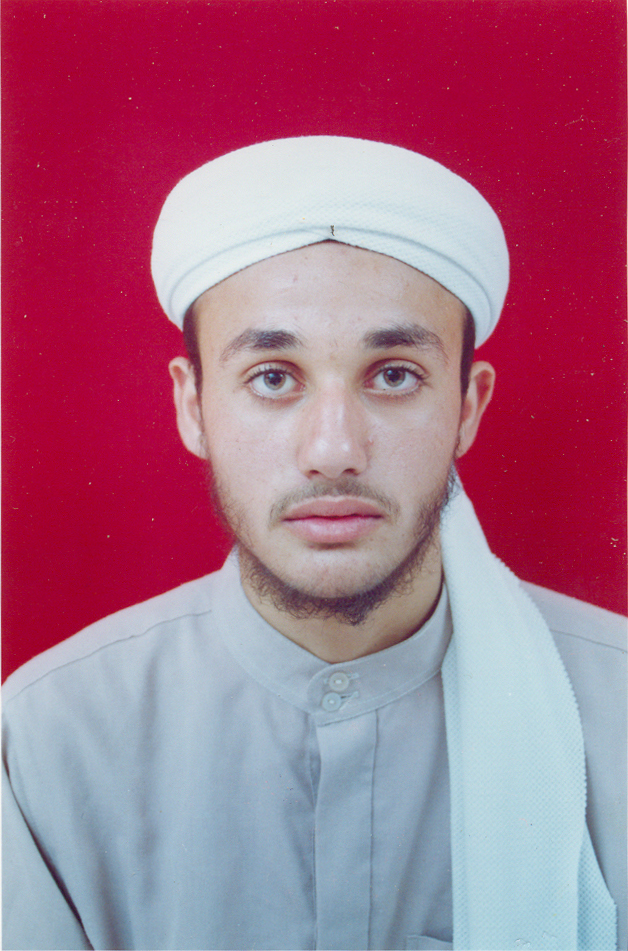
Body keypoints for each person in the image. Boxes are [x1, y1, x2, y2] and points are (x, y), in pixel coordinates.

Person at [3, 136, 625, 951]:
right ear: (192, 407)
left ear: (468, 407)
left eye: (394, 374)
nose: (333, 449)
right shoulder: (48, 737)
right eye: (273, 377)